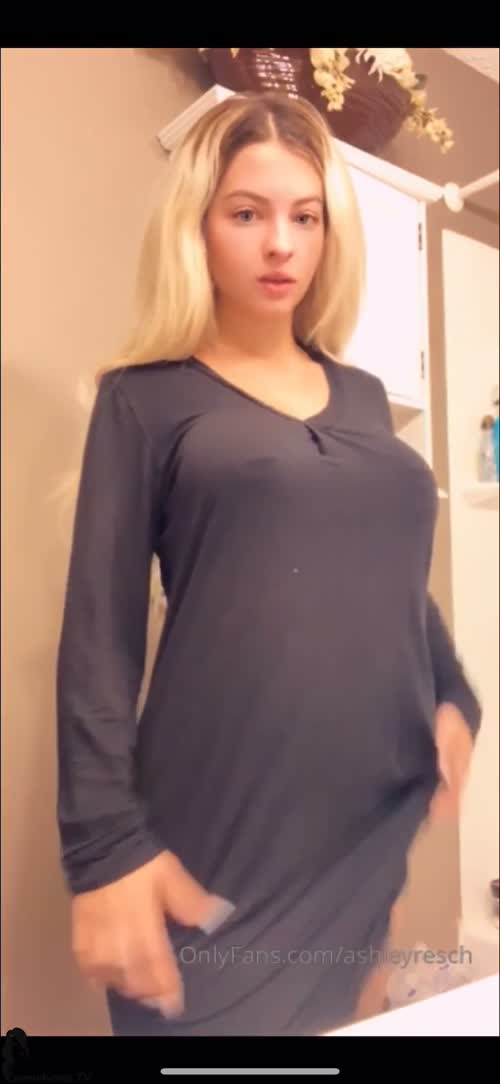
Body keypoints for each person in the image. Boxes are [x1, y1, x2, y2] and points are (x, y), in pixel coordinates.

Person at [55, 89, 482, 1037]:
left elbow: (392, 583)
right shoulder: (145, 400)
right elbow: (99, 644)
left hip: (355, 843)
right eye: (247, 214)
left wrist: (454, 692)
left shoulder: (363, 397)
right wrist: (103, 851)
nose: (280, 244)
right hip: (213, 840)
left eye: (306, 217)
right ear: (198, 227)